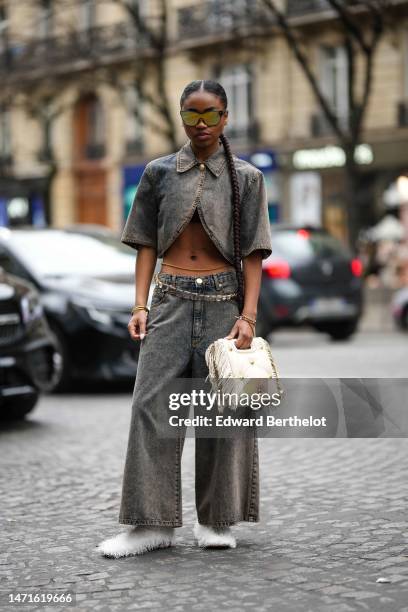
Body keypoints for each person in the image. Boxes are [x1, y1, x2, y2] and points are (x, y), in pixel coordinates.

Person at [96, 80, 273, 557]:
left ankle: (216, 520)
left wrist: (249, 317)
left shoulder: (247, 178)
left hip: (223, 303)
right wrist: (140, 304)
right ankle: (150, 525)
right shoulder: (157, 173)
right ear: (179, 115)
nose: (200, 125)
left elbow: (254, 253)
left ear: (226, 116)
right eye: (191, 115)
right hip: (169, 299)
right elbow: (146, 244)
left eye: (210, 115)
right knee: (150, 408)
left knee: (223, 413)